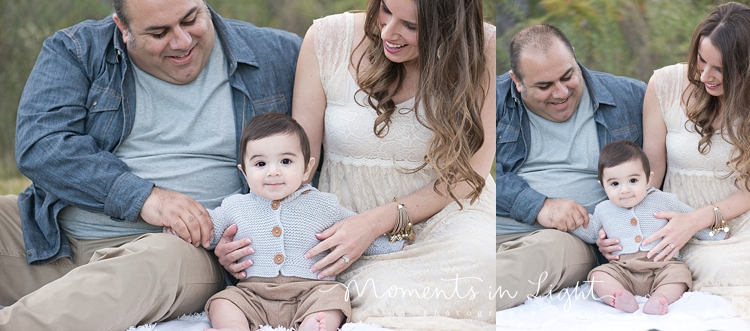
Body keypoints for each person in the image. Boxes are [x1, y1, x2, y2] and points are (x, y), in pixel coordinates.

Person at [0, 0, 301, 329]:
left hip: (184, 253)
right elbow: (40, 144)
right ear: (122, 29)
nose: (182, 41)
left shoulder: (279, 55)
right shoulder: (76, 49)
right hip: (55, 238)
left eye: (191, 20)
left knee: (157, 263)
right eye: (159, 33)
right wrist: (145, 197)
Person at [217, 0, 496, 329]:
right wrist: (240, 237)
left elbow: (469, 174)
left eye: (412, 26)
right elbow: (295, 161)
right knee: (375, 293)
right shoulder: (326, 37)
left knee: (481, 266)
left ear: (450, 29)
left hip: (446, 211)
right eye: (386, 10)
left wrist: (376, 223)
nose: (388, 32)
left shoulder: (482, 44)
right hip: (344, 220)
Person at [193, 113, 403, 331]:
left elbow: (356, 230)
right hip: (253, 294)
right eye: (260, 163)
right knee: (223, 301)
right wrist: (183, 228)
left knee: (334, 297)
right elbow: (208, 228)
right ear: (244, 172)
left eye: (285, 161)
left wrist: (394, 244)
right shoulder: (234, 206)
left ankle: (314, 325)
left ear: (306, 168)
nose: (273, 171)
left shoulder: (324, 205)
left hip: (311, 291)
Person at [495, 23, 646, 310]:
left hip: (564, 240)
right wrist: (539, 205)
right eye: (544, 86)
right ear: (517, 80)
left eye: (568, 76)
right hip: (488, 227)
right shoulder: (490, 100)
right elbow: (468, 171)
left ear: (574, 58)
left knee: (549, 253)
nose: (561, 92)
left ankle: (450, 300)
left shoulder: (629, 98)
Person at [638, 1, 750, 320]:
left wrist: (697, 219)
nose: (705, 76)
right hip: (679, 220)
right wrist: (624, 216)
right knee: (712, 264)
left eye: (721, 69)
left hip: (738, 218)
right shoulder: (665, 84)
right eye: (701, 61)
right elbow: (652, 169)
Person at [570, 140, 724, 315]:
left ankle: (660, 297)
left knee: (680, 274)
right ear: (603, 185)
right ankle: (620, 295)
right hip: (623, 269)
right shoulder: (603, 209)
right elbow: (590, 232)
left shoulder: (662, 200)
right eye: (614, 184)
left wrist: (716, 235)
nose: (625, 190)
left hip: (662, 265)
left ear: (648, 179)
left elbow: (688, 218)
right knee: (598, 276)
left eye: (633, 180)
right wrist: (569, 224)